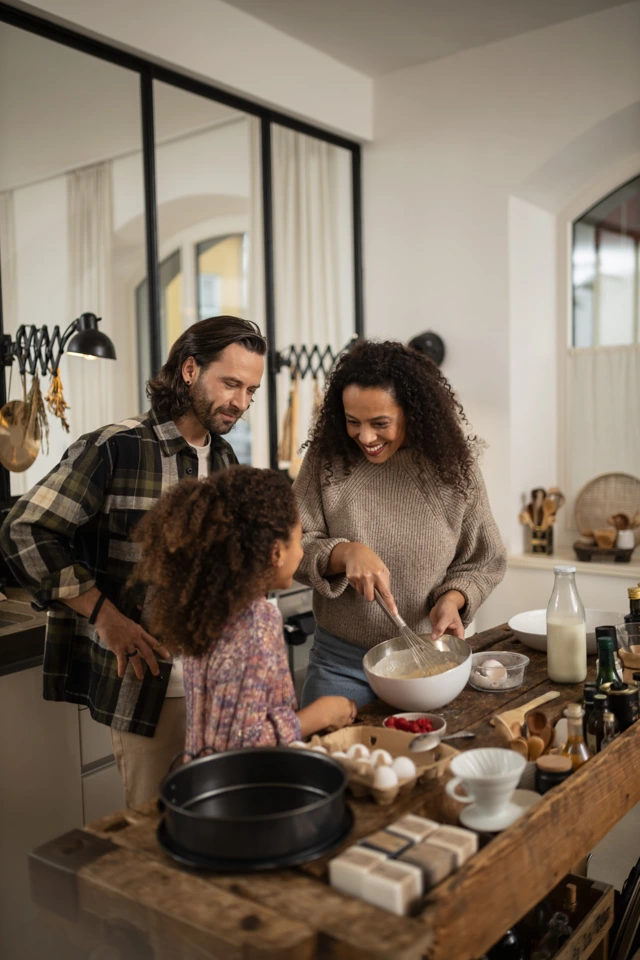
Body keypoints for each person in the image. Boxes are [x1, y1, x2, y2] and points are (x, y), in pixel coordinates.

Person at [0, 315, 266, 807]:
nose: (241, 403)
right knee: (158, 842)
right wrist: (105, 617)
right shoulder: (116, 448)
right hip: (152, 691)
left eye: (251, 389)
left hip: (222, 688)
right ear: (189, 370)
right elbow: (25, 529)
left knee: (219, 832)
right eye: (231, 384)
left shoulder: (227, 462)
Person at [293, 339, 507, 708]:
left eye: (380, 423)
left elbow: (484, 560)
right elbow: (287, 548)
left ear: (413, 413)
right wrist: (344, 553)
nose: (365, 437)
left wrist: (453, 599)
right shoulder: (326, 461)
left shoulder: (452, 469)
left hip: (430, 665)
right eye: (352, 422)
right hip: (341, 667)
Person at [130, 467, 357, 752]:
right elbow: (240, 742)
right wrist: (319, 715)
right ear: (276, 552)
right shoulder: (255, 621)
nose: (301, 553)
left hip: (209, 782)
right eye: (298, 541)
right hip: (248, 785)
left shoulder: (207, 610)